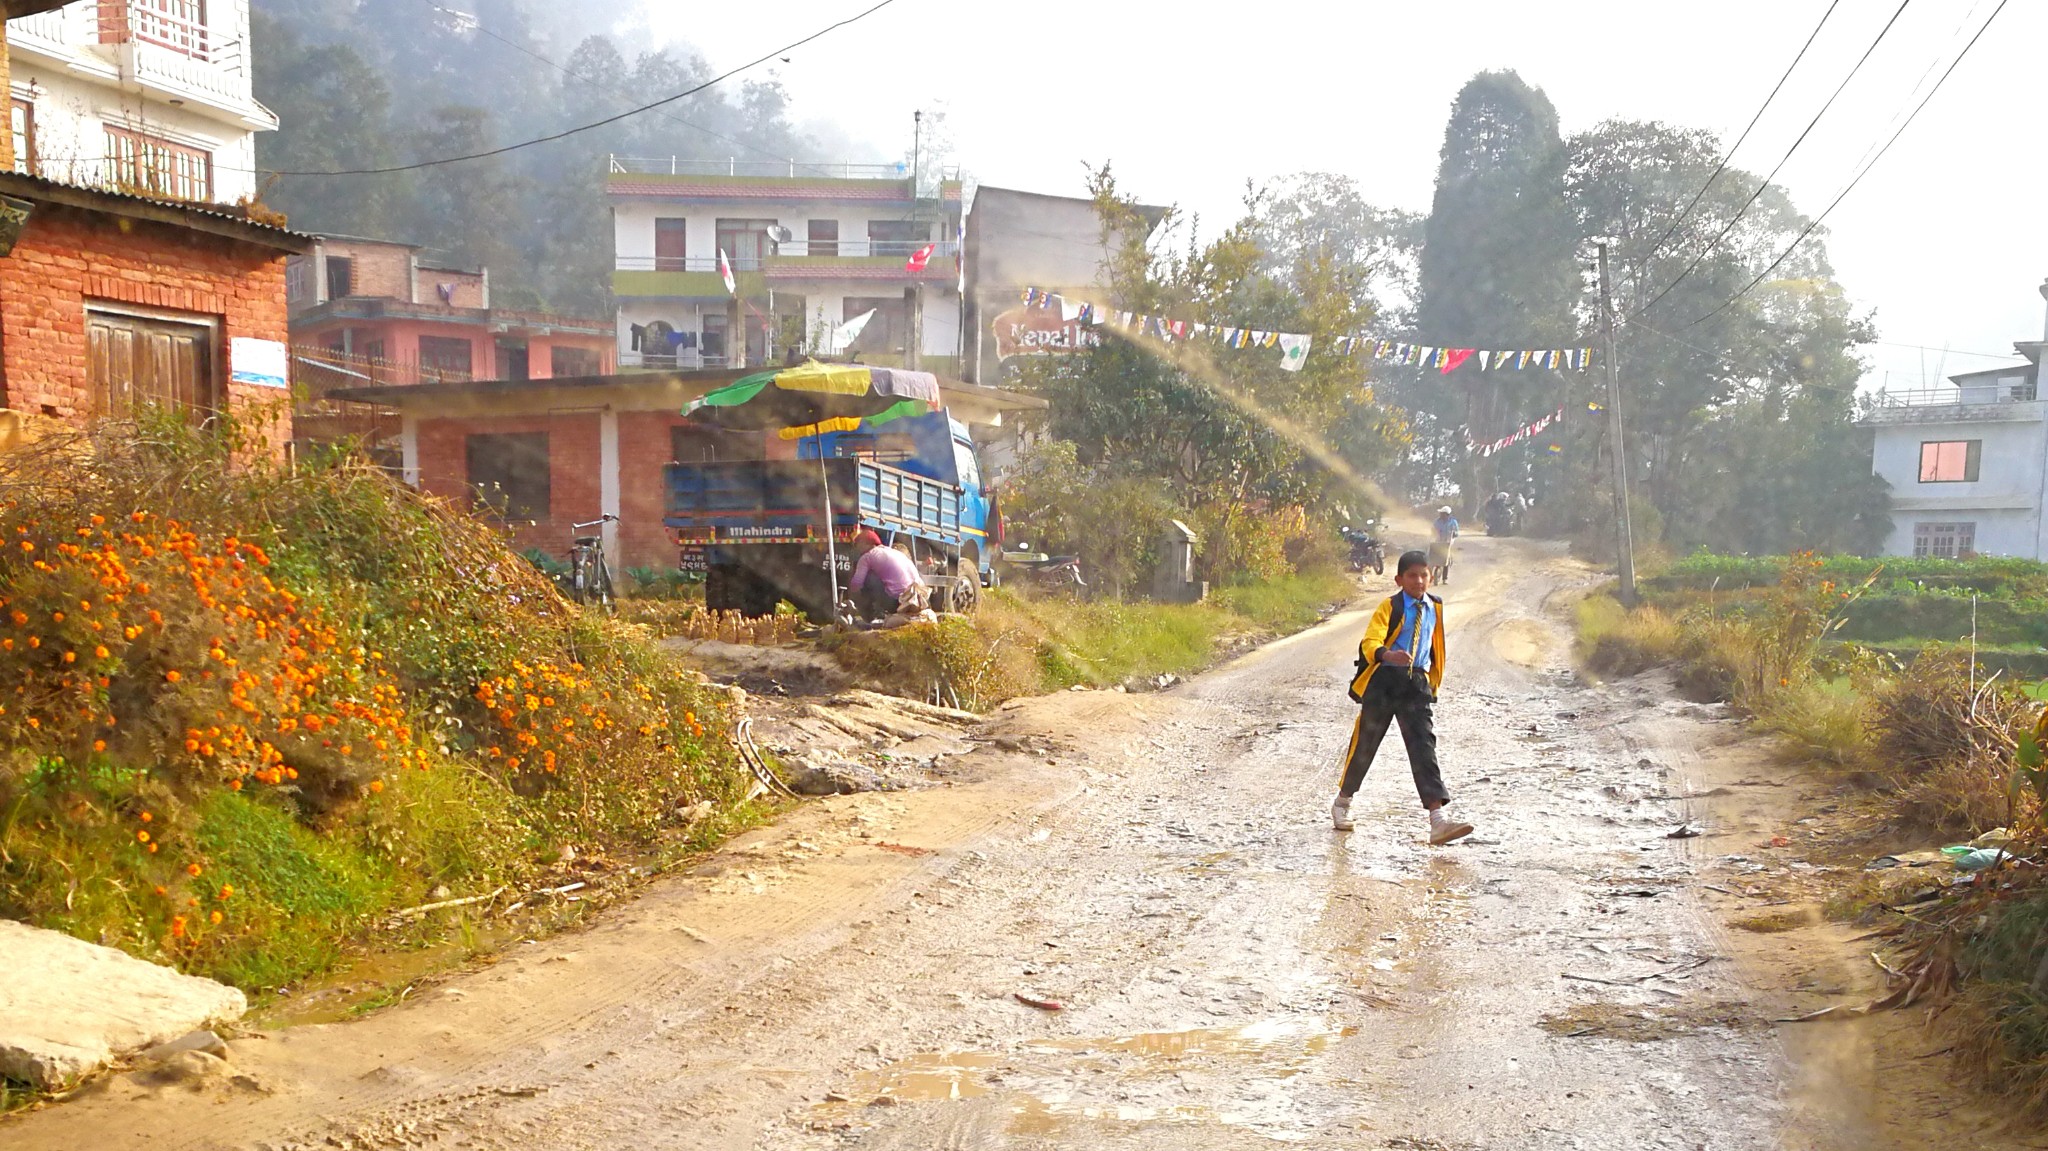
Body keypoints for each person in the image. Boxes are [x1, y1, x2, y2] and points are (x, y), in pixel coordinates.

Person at [1332, 549, 1474, 845]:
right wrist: (1386, 654)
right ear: (1399, 579)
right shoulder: (1390, 606)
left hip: (1416, 684)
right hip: (1385, 681)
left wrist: (1432, 682)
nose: (1418, 581)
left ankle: (1438, 822)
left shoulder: (1435, 607)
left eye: (1423, 575)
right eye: (1412, 576)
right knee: (1365, 744)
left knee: (1424, 748)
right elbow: (1371, 639)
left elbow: (1436, 646)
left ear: (1431, 577)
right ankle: (1342, 803)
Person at [848, 529, 929, 620]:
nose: (856, 548)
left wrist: (851, 599)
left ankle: (872, 618)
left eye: (857, 544)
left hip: (897, 602)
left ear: (865, 543)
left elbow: (856, 584)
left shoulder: (867, 557)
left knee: (868, 577)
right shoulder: (895, 552)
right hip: (917, 600)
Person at [1428, 506, 1460, 585]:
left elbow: (1456, 532)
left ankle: (1445, 578)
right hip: (1439, 541)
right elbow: (1433, 530)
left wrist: (1455, 534)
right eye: (1440, 513)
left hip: (1449, 542)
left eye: (1442, 513)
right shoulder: (1437, 521)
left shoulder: (1453, 522)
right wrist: (1434, 533)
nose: (1440, 515)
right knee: (1432, 557)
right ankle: (1429, 577)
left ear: (1447, 514)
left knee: (1446, 559)